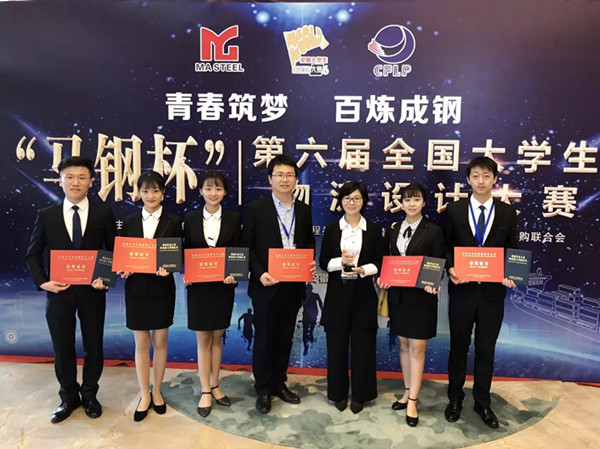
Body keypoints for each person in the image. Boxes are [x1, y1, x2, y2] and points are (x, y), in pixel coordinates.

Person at [26, 156, 116, 424]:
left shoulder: (103, 213)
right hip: (58, 293)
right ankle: (68, 397)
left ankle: (89, 395)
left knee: (93, 346)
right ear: (60, 181)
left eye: (81, 177)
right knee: (62, 346)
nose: (75, 182)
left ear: (91, 181)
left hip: (92, 293)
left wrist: (105, 277)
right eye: (70, 177)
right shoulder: (47, 215)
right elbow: (33, 254)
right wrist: (43, 282)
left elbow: (113, 251)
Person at [443, 157, 517, 429]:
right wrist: (450, 267)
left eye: (486, 175)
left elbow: (513, 248)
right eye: (475, 176)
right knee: (458, 347)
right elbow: (445, 245)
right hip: (462, 290)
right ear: (468, 180)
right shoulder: (455, 210)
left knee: (486, 348)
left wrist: (511, 273)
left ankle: (482, 402)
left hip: (492, 294)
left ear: (495, 179)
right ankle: (454, 399)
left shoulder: (507, 212)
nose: (481, 181)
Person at [240, 154, 316, 414]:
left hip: (292, 285)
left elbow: (308, 242)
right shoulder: (257, 209)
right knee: (264, 338)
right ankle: (263, 388)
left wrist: (308, 262)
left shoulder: (303, 209)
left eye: (290, 175)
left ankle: (279, 383)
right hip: (266, 284)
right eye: (280, 175)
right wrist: (260, 273)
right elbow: (248, 247)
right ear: (270, 178)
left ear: (296, 179)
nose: (285, 179)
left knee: (284, 338)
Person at [379, 184, 445, 427]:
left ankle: (414, 401)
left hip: (421, 298)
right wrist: (384, 277)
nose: (411, 204)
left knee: (417, 349)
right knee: (404, 345)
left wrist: (433, 282)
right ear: (401, 203)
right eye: (407, 200)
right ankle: (407, 392)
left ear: (424, 203)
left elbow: (438, 262)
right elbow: (388, 260)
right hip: (398, 296)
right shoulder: (394, 229)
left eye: (416, 199)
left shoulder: (434, 231)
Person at [118, 171, 182, 422]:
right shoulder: (129, 221)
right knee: (141, 343)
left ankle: (157, 392)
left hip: (162, 289)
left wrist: (171, 268)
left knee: (161, 342)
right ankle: (144, 394)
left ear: (163, 193)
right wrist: (123, 268)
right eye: (145, 191)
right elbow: (123, 255)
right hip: (136, 289)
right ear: (139, 194)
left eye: (156, 190)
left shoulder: (174, 221)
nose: (151, 195)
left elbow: (178, 255)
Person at [319, 181, 384, 414]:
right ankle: (338, 393)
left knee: (363, 346)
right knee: (336, 345)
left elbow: (380, 262)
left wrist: (362, 269)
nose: (351, 202)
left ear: (363, 201)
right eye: (346, 198)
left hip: (363, 293)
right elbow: (323, 262)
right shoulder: (332, 229)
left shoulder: (374, 230)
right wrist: (341, 262)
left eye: (356, 198)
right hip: (337, 294)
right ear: (341, 201)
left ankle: (361, 395)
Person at [183, 172, 241, 418]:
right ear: (201, 191)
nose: (213, 193)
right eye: (208, 188)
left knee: (217, 337)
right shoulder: (190, 218)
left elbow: (238, 251)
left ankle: (216, 385)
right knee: (202, 339)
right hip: (198, 287)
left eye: (218, 189)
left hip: (222, 286)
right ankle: (205, 389)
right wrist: (186, 271)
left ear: (225, 192)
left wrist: (235, 273)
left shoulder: (234, 219)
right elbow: (184, 250)